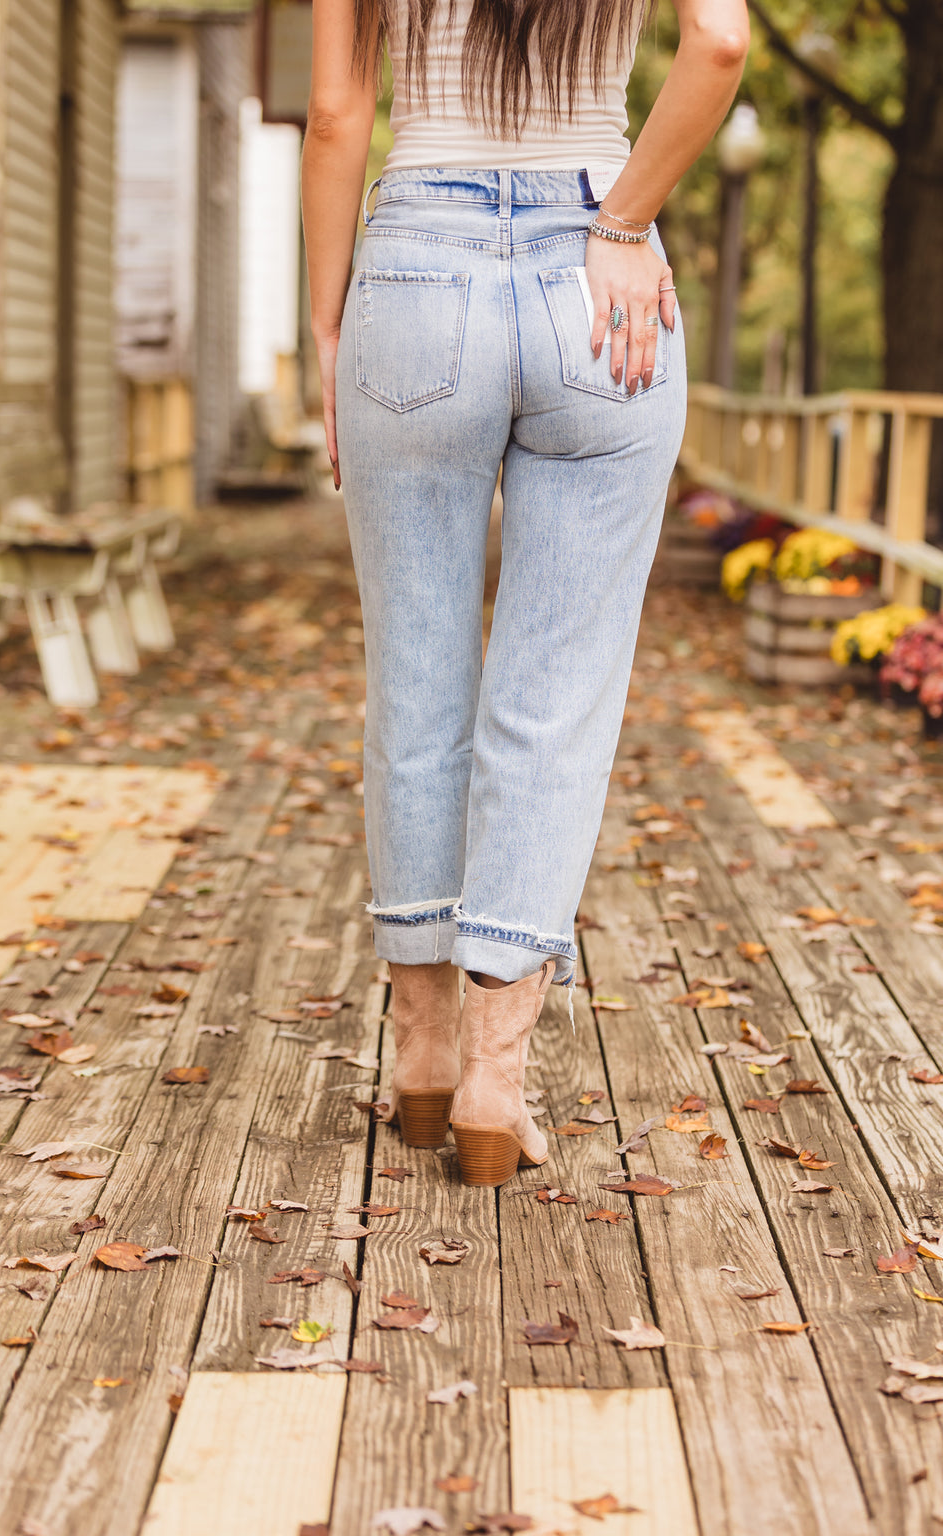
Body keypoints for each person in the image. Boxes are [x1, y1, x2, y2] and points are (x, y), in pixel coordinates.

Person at [302, 0, 750, 1186]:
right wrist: (623, 219)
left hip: (413, 270)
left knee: (413, 679)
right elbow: (717, 42)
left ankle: (423, 1056)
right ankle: (499, 1076)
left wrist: (322, 323)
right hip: (599, 289)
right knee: (558, 692)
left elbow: (338, 112)